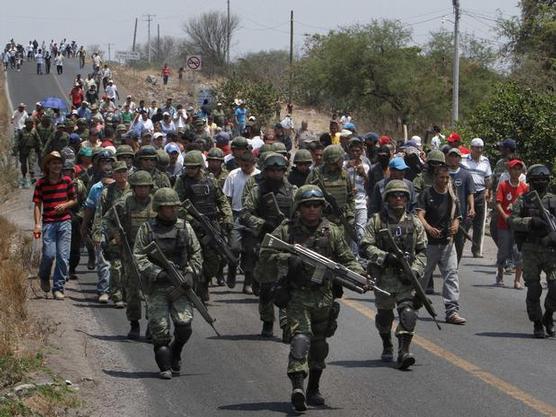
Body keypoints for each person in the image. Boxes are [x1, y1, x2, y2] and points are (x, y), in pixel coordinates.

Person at [259, 184, 365, 411]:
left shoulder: (332, 231)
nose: (312, 210)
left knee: (319, 346)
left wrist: (360, 275)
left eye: (316, 205)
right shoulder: (286, 230)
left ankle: (313, 389)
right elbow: (266, 255)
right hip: (296, 294)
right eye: (307, 205)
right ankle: (298, 386)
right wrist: (289, 260)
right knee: (300, 338)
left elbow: (347, 259)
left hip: (324, 297)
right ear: (299, 208)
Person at [133, 188, 202, 379]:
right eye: (168, 207)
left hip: (180, 286)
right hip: (157, 287)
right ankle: (165, 366)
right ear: (159, 208)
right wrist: (157, 273)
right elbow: (138, 256)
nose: (172, 210)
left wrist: (190, 273)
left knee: (184, 325)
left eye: (175, 207)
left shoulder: (185, 227)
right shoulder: (147, 229)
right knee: (159, 330)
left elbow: (196, 253)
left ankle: (177, 350)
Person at [360, 180, 427, 369]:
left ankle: (404, 351)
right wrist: (384, 257)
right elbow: (365, 246)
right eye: (394, 195)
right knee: (384, 317)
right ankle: (386, 343)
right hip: (383, 278)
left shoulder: (414, 222)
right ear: (387, 198)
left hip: (406, 279)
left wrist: (415, 270)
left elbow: (422, 251)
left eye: (402, 196)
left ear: (407, 199)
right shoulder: (377, 221)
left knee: (408, 313)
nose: (398, 199)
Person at [241, 153, 296, 337]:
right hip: (265, 243)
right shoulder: (258, 191)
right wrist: (262, 224)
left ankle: (287, 326)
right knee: (266, 288)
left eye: (278, 170)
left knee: (287, 287)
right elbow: (245, 214)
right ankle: (267, 322)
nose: (274, 174)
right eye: (271, 170)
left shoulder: (293, 191)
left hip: (288, 244)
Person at [174, 150, 233, 301]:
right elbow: (177, 205)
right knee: (191, 258)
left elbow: (222, 200)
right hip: (190, 226)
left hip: (211, 225)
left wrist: (227, 217)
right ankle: (193, 286)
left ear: (200, 167)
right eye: (187, 168)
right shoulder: (182, 181)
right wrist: (192, 220)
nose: (190, 171)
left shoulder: (210, 181)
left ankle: (204, 281)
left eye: (193, 168)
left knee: (216, 260)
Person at [103, 170, 156, 339]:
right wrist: (116, 235)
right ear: (133, 188)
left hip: (153, 254)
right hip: (131, 252)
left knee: (152, 291)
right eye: (139, 187)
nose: (142, 190)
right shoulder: (124, 203)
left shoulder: (157, 203)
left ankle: (152, 325)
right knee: (133, 291)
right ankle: (134, 324)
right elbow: (107, 220)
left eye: (145, 187)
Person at [508, 164, 556, 338]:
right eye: (537, 180)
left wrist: (551, 236)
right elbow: (512, 220)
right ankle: (537, 323)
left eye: (544, 180)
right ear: (530, 182)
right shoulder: (524, 200)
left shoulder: (554, 200)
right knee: (534, 288)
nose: (541, 183)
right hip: (530, 249)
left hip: (551, 250)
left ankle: (548, 315)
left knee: (555, 286)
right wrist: (530, 222)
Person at [417, 166, 466, 324]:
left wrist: (456, 225)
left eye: (447, 178)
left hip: (447, 243)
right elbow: (419, 215)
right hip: (429, 244)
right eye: (441, 178)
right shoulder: (426, 194)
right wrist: (428, 228)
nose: (445, 181)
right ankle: (414, 307)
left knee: (451, 275)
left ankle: (452, 311)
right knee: (423, 277)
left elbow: (457, 215)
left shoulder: (452, 194)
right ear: (435, 178)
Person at [33, 151, 77, 300]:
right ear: (48, 165)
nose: (57, 165)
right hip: (48, 223)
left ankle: (58, 288)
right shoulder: (41, 183)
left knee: (63, 257)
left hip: (64, 221)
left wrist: (65, 205)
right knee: (49, 254)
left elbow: (74, 200)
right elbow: (37, 205)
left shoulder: (67, 181)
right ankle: (44, 275)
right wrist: (37, 225)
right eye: (53, 163)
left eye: (59, 162)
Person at [222, 152, 260, 291]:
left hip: (253, 216)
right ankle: (232, 268)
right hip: (236, 214)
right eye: (242, 165)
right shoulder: (233, 175)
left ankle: (247, 282)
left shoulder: (259, 176)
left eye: (248, 166)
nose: (245, 168)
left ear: (253, 163)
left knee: (251, 250)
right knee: (234, 247)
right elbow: (226, 198)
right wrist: (227, 216)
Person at [306, 145, 355, 241]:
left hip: (342, 221)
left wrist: (350, 216)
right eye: (341, 158)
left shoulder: (344, 174)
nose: (343, 161)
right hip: (321, 222)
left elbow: (350, 197)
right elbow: (306, 195)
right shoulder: (316, 174)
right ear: (335, 160)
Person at [495, 159, 528, 288]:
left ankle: (517, 280)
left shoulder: (524, 188)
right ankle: (500, 276)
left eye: (519, 169)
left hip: (519, 226)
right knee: (503, 251)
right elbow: (498, 203)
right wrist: (505, 217)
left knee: (519, 252)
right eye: (514, 168)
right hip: (504, 224)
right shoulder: (503, 185)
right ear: (509, 170)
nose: (516, 171)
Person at [461, 138, 492, 258]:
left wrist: (488, 190)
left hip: (480, 193)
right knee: (466, 221)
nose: (479, 150)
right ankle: (460, 245)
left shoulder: (485, 161)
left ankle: (476, 249)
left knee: (479, 224)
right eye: (476, 147)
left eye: (481, 148)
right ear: (471, 148)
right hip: (467, 193)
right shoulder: (463, 159)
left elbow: (488, 177)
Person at [446, 147, 476, 264]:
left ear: (459, 158)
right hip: (444, 214)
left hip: (461, 214)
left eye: (456, 156)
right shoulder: (443, 173)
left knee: (459, 242)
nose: (454, 158)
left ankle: (455, 266)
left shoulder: (466, 174)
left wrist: (472, 208)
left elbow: (470, 193)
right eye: (451, 156)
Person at [14, 118, 41, 188]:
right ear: (26, 124)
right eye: (28, 123)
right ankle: (24, 177)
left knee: (31, 163)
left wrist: (40, 147)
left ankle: (32, 177)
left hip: (31, 149)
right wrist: (15, 149)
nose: (30, 125)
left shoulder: (34, 131)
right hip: (23, 150)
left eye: (31, 123)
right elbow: (17, 141)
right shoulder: (21, 131)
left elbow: (38, 140)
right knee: (23, 164)